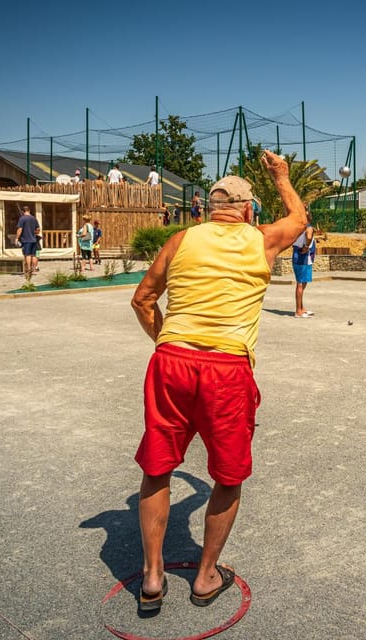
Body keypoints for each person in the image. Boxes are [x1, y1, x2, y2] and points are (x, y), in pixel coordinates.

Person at [129, 150, 307, 612]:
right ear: (247, 210)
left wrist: (166, 341)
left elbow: (142, 299)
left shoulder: (181, 239)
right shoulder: (261, 239)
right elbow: (299, 218)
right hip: (227, 369)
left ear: (210, 209)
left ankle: (152, 576)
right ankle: (206, 576)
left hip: (171, 361)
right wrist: (282, 176)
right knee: (228, 475)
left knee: (157, 468)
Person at [292, 208, 316, 317]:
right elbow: (309, 236)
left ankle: (301, 308)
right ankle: (298, 311)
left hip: (300, 256)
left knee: (302, 283)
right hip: (303, 257)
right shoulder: (308, 227)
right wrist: (306, 246)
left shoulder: (297, 228)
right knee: (300, 284)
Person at [15, 205, 40, 277]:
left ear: (23, 211)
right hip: (34, 240)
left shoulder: (22, 218)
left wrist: (16, 238)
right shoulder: (34, 218)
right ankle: (33, 269)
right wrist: (33, 232)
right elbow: (38, 230)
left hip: (26, 240)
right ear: (29, 210)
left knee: (27, 255)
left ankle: (28, 270)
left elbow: (20, 229)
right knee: (34, 255)